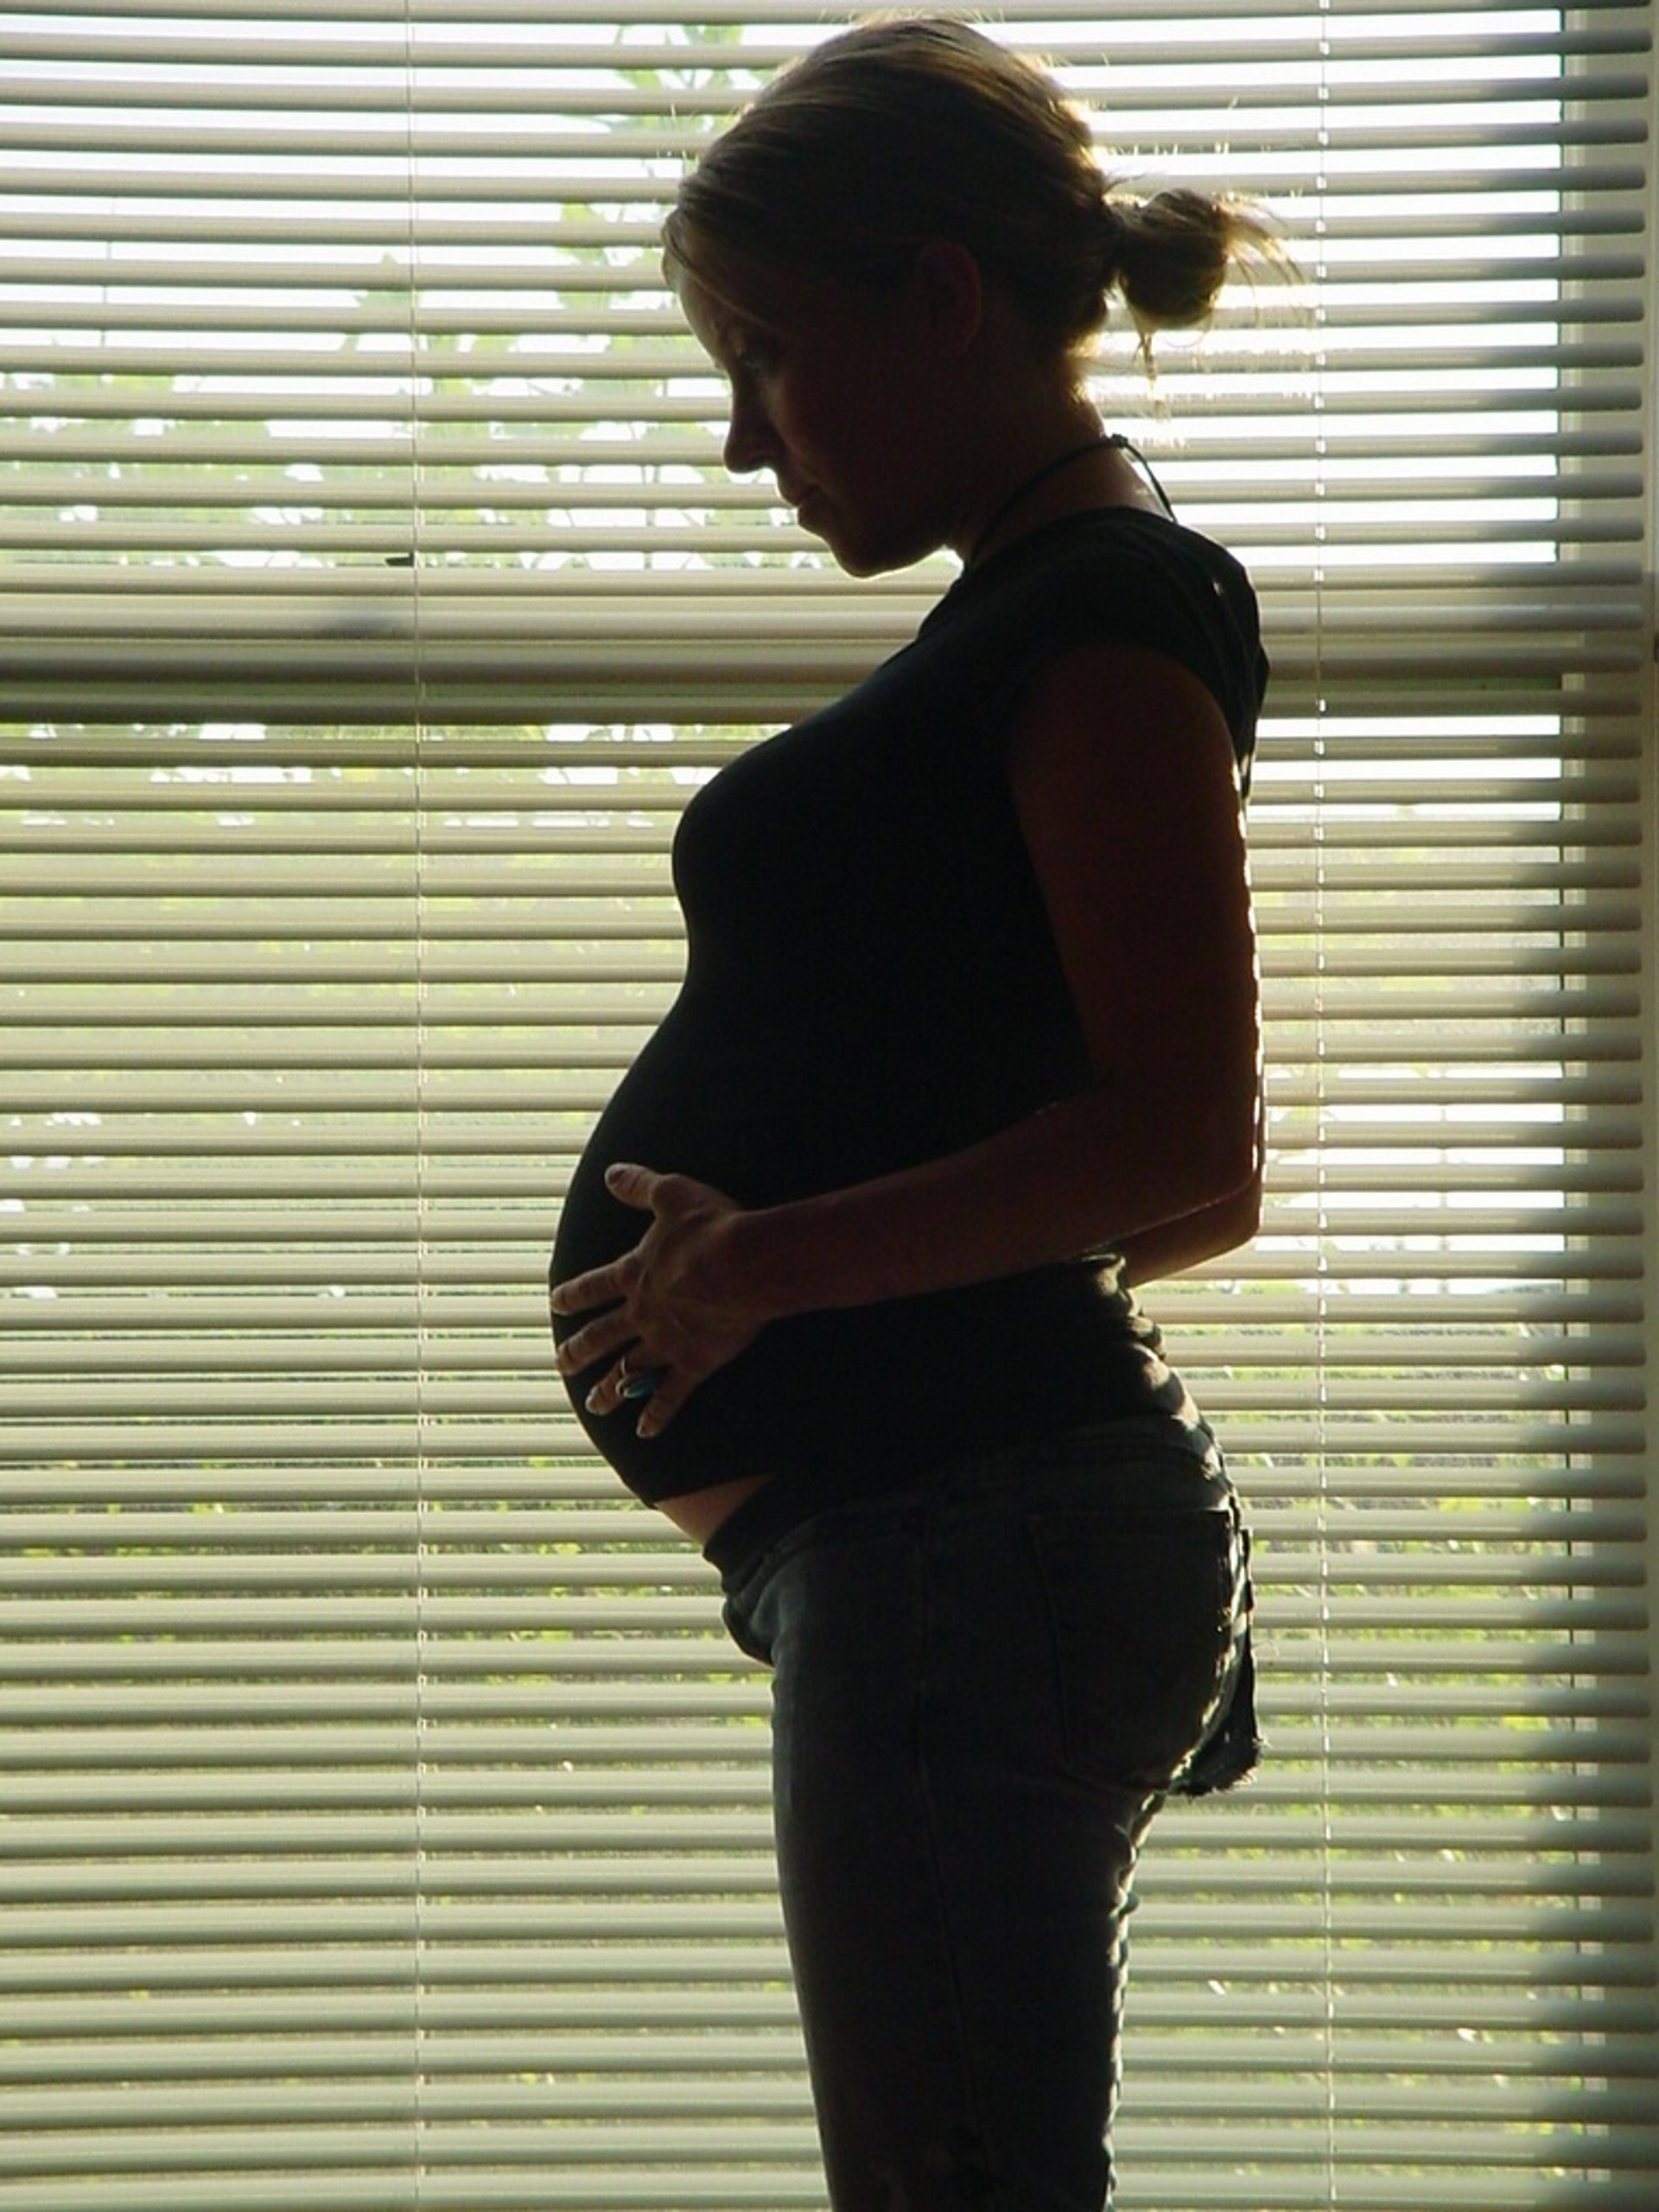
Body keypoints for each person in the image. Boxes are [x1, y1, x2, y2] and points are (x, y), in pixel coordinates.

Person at [549, 18, 1271, 2209]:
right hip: (936, 1544)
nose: (740, 439)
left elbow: (1187, 1148)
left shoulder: (1103, 614)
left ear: (939, 297)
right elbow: (1129, 1162)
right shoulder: (1043, 614)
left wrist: (761, 1265)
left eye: (764, 355)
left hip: (968, 1538)